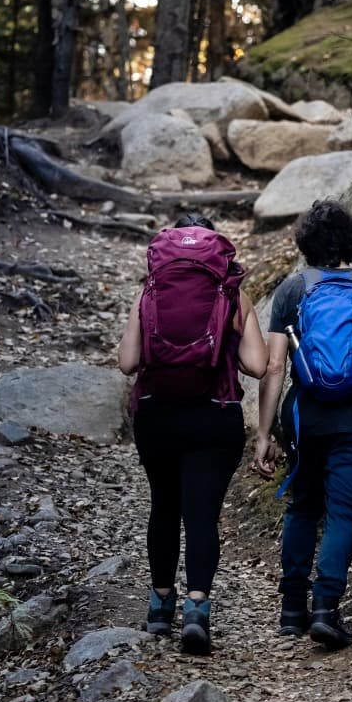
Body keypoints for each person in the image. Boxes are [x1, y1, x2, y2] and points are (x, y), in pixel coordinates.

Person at [254, 199, 352, 650]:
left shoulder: (292, 291)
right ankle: (326, 608)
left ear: (306, 244)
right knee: (342, 512)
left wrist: (263, 434)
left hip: (304, 417)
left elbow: (276, 367)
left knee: (303, 505)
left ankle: (291, 610)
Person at [118, 214, 267, 656]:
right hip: (213, 414)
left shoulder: (150, 291)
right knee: (201, 515)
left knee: (163, 507)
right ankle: (197, 610)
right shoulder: (232, 293)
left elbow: (127, 362)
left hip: (156, 414)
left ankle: (159, 607)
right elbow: (257, 366)